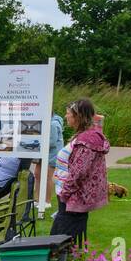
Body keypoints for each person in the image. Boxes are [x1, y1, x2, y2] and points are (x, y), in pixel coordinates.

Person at [50, 98, 109, 247]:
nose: (65, 116)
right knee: (61, 240)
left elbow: (79, 172)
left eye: (68, 113)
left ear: (78, 116)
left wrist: (65, 194)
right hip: (70, 198)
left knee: (60, 242)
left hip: (72, 199)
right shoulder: (86, 135)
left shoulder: (87, 139)